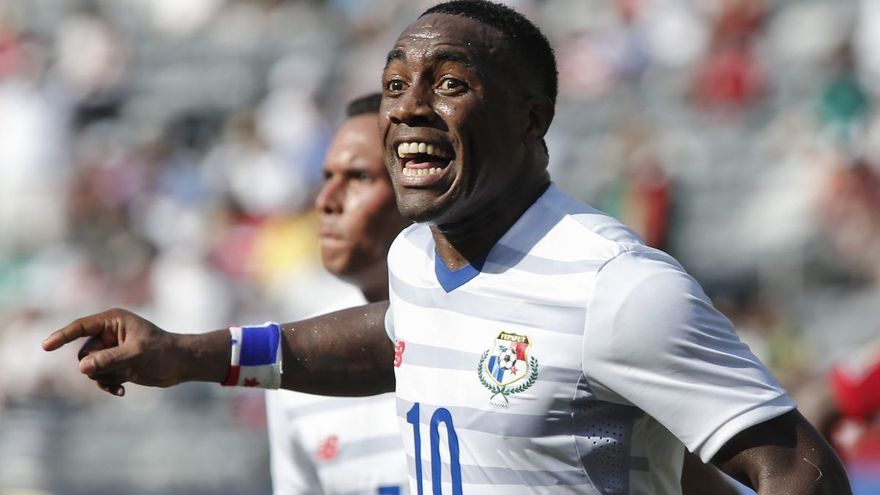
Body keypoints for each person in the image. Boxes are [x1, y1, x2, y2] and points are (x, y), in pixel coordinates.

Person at [43, 1, 852, 493]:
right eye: (396, 85)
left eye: (451, 83)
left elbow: (796, 471)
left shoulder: (616, 286)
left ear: (532, 120)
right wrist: (186, 353)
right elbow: (396, 335)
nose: (408, 109)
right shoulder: (416, 260)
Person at [264, 93, 410, 494]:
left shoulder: (488, 331)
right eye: (326, 177)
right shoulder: (296, 355)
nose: (325, 201)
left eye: (360, 176)